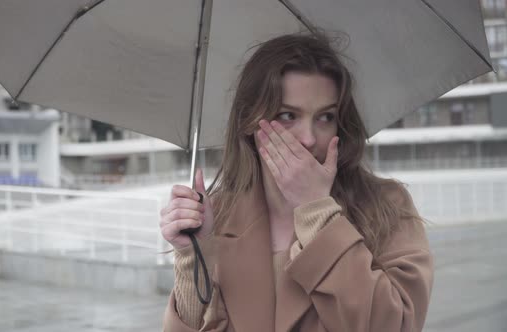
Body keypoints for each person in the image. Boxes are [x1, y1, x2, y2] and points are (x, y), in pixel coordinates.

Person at [159, 32, 434, 332]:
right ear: (250, 121)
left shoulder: (386, 206)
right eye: (289, 115)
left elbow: (397, 325)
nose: (309, 138)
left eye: (325, 117)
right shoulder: (218, 217)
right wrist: (193, 261)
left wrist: (317, 214)